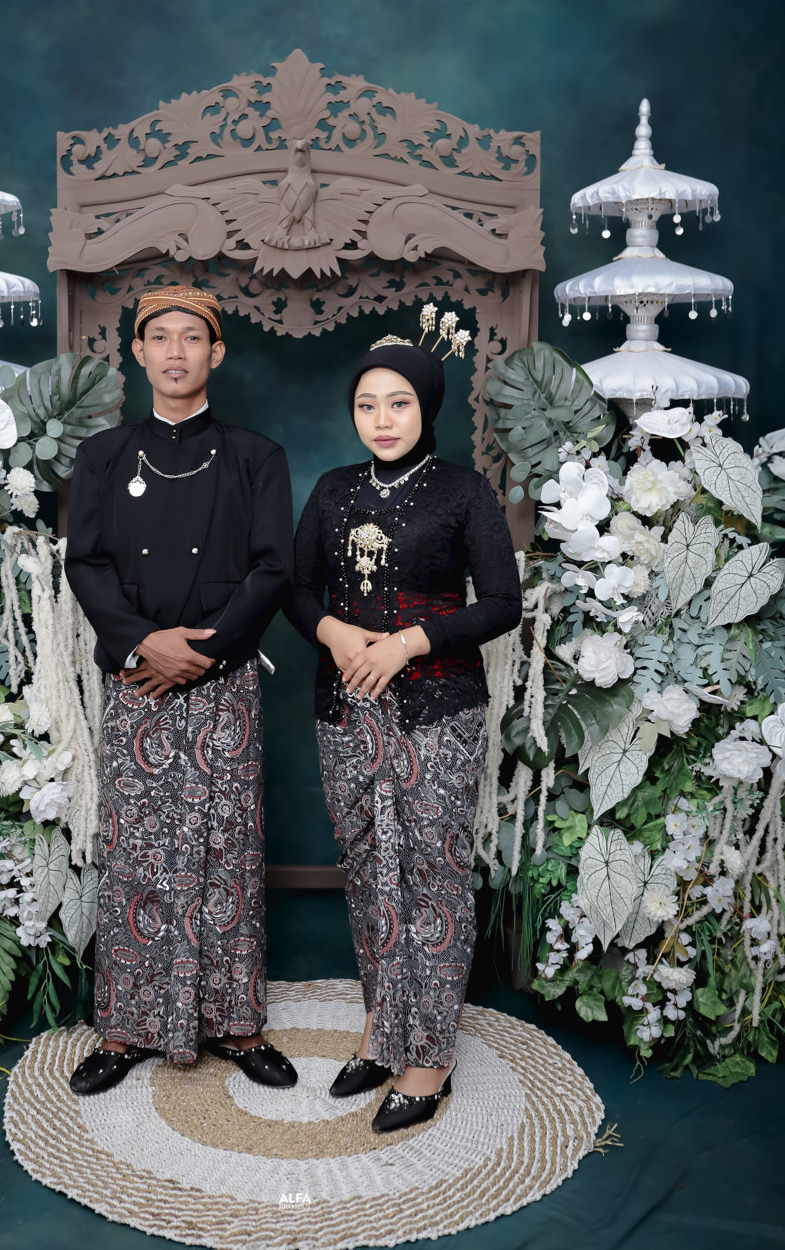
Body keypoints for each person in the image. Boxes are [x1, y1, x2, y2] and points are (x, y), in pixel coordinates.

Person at [63, 285, 298, 1095]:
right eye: (158, 336)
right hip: (136, 680)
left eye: (191, 337)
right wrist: (144, 643)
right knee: (136, 853)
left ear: (215, 353)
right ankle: (125, 1027)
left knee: (228, 853)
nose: (174, 350)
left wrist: (201, 650)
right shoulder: (102, 455)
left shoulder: (256, 455)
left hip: (223, 682)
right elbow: (85, 562)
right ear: (137, 352)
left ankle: (236, 1022)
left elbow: (273, 568)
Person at [288, 333, 521, 1134]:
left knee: (433, 872)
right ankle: (382, 1030)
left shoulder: (463, 490)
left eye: (399, 403)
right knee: (368, 869)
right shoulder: (332, 489)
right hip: (347, 705)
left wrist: (408, 643)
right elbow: (296, 590)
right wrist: (331, 630)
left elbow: (502, 603)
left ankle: (431, 1056)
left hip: (438, 707)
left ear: (427, 408)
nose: (382, 419)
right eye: (367, 404)